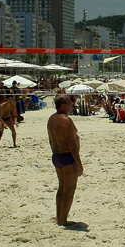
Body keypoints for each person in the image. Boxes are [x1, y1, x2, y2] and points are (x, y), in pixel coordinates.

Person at [47, 94, 85, 228]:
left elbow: (51, 140)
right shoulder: (66, 120)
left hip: (57, 155)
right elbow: (72, 144)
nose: (72, 105)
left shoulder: (51, 119)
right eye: (69, 103)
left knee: (62, 188)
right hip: (67, 156)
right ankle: (63, 220)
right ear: (62, 105)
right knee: (69, 189)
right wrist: (79, 163)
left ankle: (58, 218)